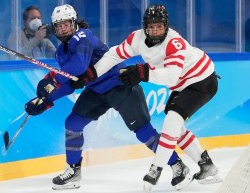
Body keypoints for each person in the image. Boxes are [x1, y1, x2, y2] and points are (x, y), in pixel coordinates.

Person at [24, 4, 193, 191]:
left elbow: (79, 67)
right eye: (59, 25)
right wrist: (47, 100)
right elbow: (72, 82)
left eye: (67, 24)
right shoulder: (61, 52)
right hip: (96, 92)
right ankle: (73, 171)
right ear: (55, 28)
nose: (64, 28)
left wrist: (51, 79)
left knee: (144, 133)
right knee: (72, 124)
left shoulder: (83, 36)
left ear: (74, 23)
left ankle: (177, 165)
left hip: (121, 86)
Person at [78, 4, 222, 191]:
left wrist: (143, 73)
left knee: (172, 120)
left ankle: (156, 169)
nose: (154, 31)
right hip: (182, 85)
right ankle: (207, 166)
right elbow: (114, 55)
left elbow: (171, 76)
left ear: (166, 26)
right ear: (145, 26)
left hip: (202, 81)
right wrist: (93, 74)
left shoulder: (174, 42)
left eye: (159, 26)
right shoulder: (137, 38)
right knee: (176, 130)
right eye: (151, 26)